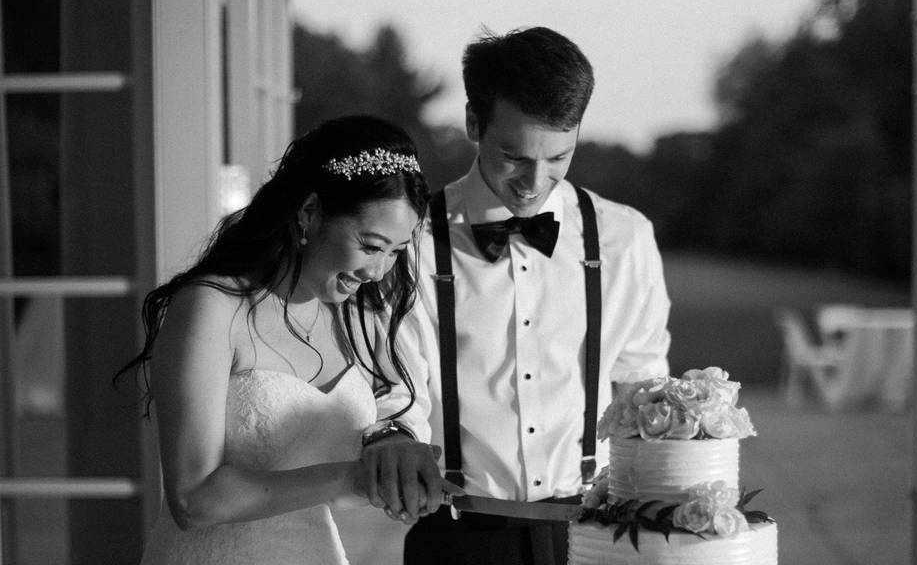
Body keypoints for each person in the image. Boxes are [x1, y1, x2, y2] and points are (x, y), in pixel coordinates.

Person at [376, 27, 672, 565]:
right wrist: (394, 439)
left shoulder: (625, 239)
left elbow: (641, 387)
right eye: (514, 156)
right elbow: (395, 389)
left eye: (559, 157)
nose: (535, 182)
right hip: (460, 537)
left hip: (597, 535)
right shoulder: (411, 242)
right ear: (473, 122)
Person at [117, 116, 458, 565]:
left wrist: (393, 460)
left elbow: (395, 409)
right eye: (371, 245)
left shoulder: (356, 318)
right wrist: (353, 478)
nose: (378, 272)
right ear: (310, 212)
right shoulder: (212, 308)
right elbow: (193, 500)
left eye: (395, 251)